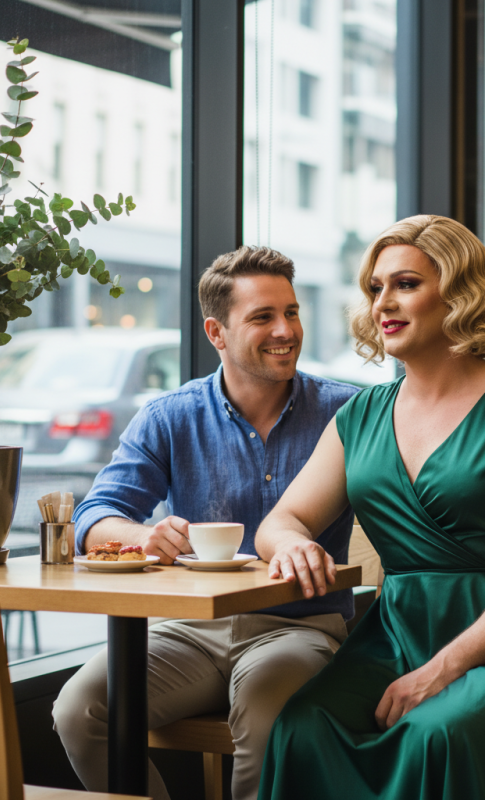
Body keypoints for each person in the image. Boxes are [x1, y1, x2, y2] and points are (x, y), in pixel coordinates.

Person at [253, 216, 485, 799]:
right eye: (376, 288)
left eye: (405, 284)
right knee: (303, 726)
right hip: (392, 638)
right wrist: (293, 542)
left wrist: (442, 671)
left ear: (457, 291)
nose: (383, 303)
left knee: (437, 735)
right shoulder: (359, 417)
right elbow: (280, 522)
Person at [52, 246, 359, 800]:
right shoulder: (170, 416)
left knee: (270, 726)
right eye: (263, 317)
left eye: (291, 312)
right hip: (186, 631)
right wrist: (143, 536)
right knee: (79, 711)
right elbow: (93, 518)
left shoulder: (348, 413)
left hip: (298, 627)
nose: (285, 330)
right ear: (216, 333)